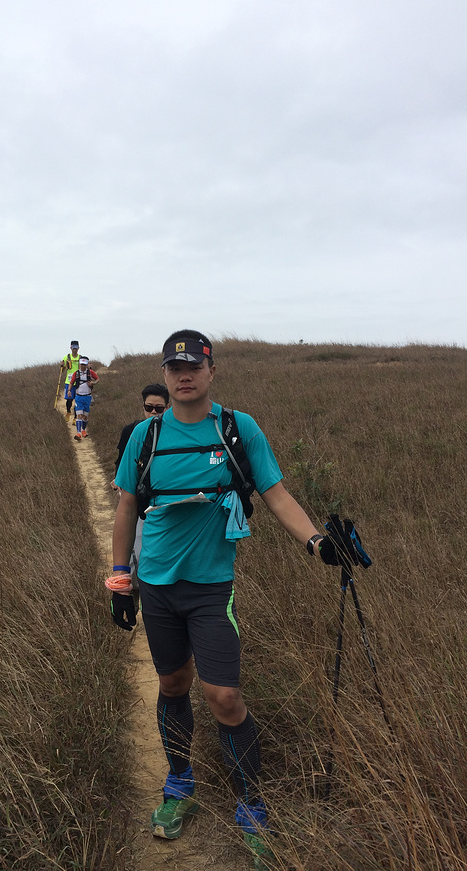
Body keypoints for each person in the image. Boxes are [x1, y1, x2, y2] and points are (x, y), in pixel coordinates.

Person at [110, 329, 341, 867]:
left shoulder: (238, 429)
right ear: (166, 376)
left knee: (225, 697)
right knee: (172, 682)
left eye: (193, 365)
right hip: (158, 588)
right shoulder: (145, 438)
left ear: (213, 371)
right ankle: (181, 783)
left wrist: (317, 543)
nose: (183, 374)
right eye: (174, 367)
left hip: (213, 588)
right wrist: (121, 580)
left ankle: (252, 807)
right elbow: (125, 507)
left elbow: (276, 494)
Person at [110, 383, 170, 594]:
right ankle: (133, 586)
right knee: (134, 540)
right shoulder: (132, 431)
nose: (153, 412)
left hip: (159, 500)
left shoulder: (171, 433)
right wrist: (118, 479)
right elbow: (121, 460)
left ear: (168, 407)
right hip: (132, 495)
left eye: (159, 408)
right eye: (149, 407)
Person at [69, 357, 99, 441]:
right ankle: (78, 433)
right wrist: (69, 390)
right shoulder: (76, 373)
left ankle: (83, 431)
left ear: (86, 365)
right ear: (79, 364)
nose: (83, 366)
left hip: (87, 397)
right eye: (81, 365)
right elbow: (71, 382)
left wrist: (94, 383)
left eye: (84, 365)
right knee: (79, 415)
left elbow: (97, 379)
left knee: (85, 416)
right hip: (78, 397)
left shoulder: (90, 372)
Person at [60, 340, 81, 422]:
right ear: (71, 348)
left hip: (78, 382)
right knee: (69, 400)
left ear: (78, 348)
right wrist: (62, 366)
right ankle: (68, 412)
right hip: (69, 382)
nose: (74, 350)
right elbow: (62, 371)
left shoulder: (80, 358)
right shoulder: (66, 357)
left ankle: (75, 417)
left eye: (76, 348)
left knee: (77, 400)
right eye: (73, 348)